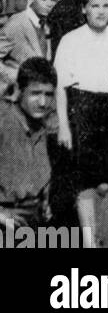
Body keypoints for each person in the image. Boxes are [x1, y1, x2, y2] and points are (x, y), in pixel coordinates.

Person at [53, 0, 108, 249]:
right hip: (81, 108)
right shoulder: (71, 39)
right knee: (85, 180)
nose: (101, 11)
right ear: (84, 9)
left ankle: (89, 229)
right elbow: (60, 86)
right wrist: (64, 126)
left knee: (104, 183)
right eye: (94, 6)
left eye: (106, 5)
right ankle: (89, 242)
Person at [0, 58, 58, 231]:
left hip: (33, 218)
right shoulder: (4, 121)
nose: (42, 102)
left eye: (48, 94)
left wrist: (46, 199)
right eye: (35, 93)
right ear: (19, 90)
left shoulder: (41, 125)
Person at [0, 0, 59, 91]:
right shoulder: (17, 23)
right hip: (18, 91)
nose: (49, 4)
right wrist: (18, 77)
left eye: (53, 0)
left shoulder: (46, 24)